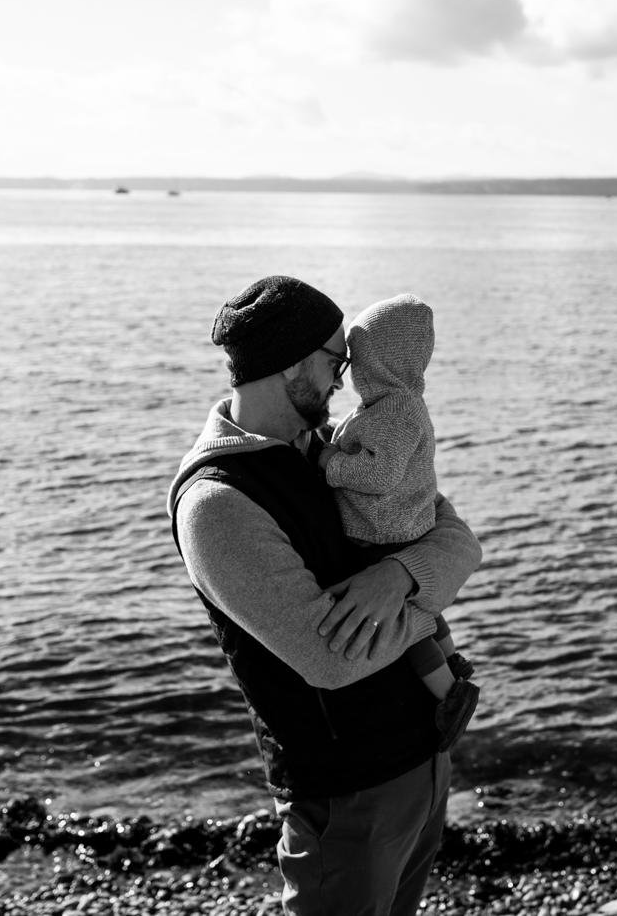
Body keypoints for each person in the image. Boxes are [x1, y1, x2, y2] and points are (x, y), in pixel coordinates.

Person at [168, 275, 483, 916]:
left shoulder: (326, 444)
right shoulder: (219, 503)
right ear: (291, 366)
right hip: (346, 793)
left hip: (422, 761)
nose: (345, 375)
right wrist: (427, 589)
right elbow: (330, 661)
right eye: (336, 358)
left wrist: (397, 577)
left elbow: (458, 538)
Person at [317, 293, 479, 753]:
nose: (349, 372)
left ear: (381, 361)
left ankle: (449, 696)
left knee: (405, 625)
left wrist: (329, 462)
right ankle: (454, 666)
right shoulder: (391, 406)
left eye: (358, 359)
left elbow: (378, 473)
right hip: (402, 525)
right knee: (426, 612)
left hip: (385, 532)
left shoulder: (396, 411)